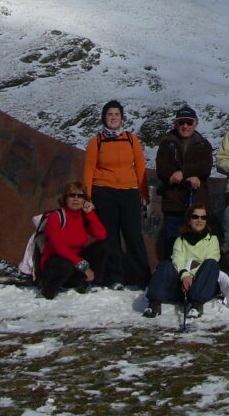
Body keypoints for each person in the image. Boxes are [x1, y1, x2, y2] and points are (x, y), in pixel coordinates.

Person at [82, 100, 150, 289]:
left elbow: (140, 167)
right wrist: (87, 197)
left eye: (117, 114)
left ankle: (142, 277)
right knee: (110, 236)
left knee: (133, 234)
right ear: (104, 117)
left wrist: (144, 193)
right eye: (110, 114)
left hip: (129, 192)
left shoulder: (131, 139)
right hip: (103, 192)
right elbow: (88, 169)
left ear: (122, 118)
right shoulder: (96, 141)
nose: (113, 118)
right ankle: (115, 278)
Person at [143, 203, 220, 318]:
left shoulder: (212, 240)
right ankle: (154, 303)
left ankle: (196, 305)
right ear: (189, 220)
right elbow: (178, 259)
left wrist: (191, 277)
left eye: (203, 218)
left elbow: (211, 258)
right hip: (181, 284)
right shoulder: (181, 240)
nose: (199, 220)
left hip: (200, 284)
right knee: (165, 265)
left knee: (211, 264)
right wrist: (184, 276)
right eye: (195, 217)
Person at [155, 104, 213, 257]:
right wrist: (189, 176)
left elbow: (205, 167)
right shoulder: (166, 143)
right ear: (176, 124)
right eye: (181, 122)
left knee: (196, 245)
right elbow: (162, 169)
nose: (185, 126)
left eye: (189, 122)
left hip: (196, 205)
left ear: (195, 124)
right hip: (173, 204)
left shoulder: (203, 145)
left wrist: (183, 173)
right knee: (172, 244)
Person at [38, 181, 107, 299]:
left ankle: (87, 283)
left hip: (75, 266)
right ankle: (47, 291)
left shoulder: (83, 217)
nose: (76, 199)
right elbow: (58, 246)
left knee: (103, 246)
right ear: (65, 198)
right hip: (56, 264)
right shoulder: (56, 216)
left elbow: (102, 235)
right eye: (72, 195)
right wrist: (82, 265)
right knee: (66, 264)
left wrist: (90, 214)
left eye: (80, 196)